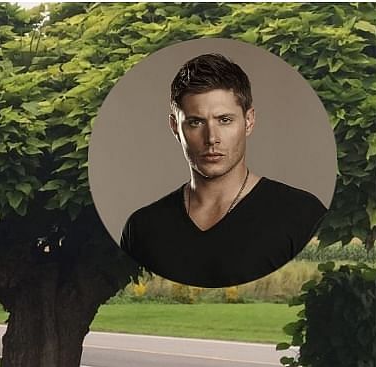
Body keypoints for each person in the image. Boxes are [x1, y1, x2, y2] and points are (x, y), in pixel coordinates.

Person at [119, 52, 326, 288]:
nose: (212, 138)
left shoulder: (302, 214)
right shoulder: (143, 227)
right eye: (196, 122)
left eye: (225, 120)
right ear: (175, 127)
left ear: (248, 121)